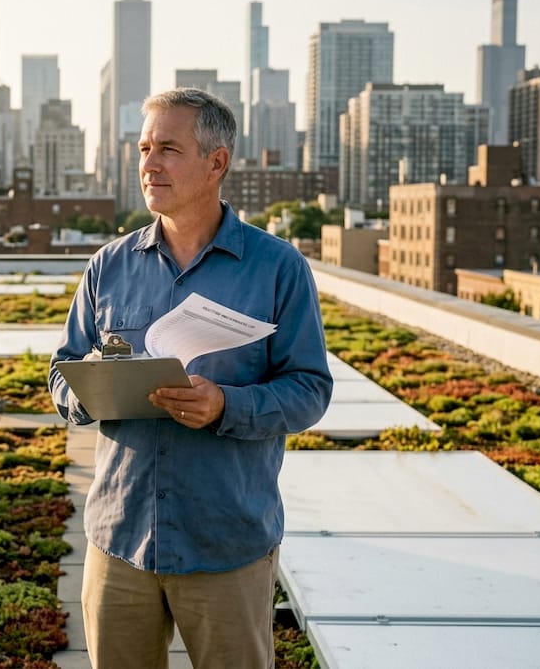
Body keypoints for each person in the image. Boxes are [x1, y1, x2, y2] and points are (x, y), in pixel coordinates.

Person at [47, 87, 333, 669]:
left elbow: (311, 388)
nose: (149, 164)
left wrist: (226, 406)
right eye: (144, 148)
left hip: (227, 545)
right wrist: (89, 387)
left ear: (217, 162)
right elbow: (61, 371)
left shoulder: (278, 269)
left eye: (168, 149)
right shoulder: (109, 265)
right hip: (119, 542)